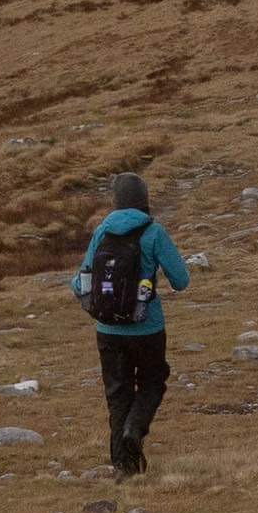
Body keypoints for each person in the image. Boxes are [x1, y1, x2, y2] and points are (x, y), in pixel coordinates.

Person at [73, 171, 191, 477]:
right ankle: (134, 431)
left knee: (117, 393)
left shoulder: (102, 231)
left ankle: (124, 468)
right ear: (144, 200)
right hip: (147, 327)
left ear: (116, 200)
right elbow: (181, 280)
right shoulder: (154, 232)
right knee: (153, 380)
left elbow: (80, 281)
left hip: (107, 330)